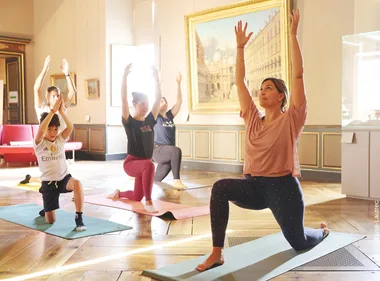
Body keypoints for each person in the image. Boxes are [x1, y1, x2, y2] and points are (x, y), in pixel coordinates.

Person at [196, 9, 329, 272]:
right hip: (254, 187)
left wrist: (292, 34)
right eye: (262, 88)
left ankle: (321, 232)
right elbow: (240, 81)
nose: (262, 91)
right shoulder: (253, 119)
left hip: (284, 189)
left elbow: (299, 75)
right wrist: (240, 49)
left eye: (269, 88)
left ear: (281, 96)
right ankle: (216, 253)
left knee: (299, 242)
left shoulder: (292, 117)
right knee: (220, 188)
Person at [107, 64, 162, 213]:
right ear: (134, 104)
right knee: (150, 165)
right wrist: (124, 77)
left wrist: (157, 79)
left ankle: (118, 193)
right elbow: (123, 99)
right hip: (132, 163)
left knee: (137, 197)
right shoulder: (129, 122)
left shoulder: (150, 120)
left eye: (147, 104)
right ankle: (149, 202)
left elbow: (158, 100)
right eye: (142, 104)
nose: (146, 107)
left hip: (143, 165)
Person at [20, 55, 77, 184]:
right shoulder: (42, 107)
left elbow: (72, 92)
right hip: (44, 142)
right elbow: (36, 88)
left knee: (58, 170)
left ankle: (69, 186)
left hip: (58, 140)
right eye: (53, 96)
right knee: (48, 172)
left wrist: (67, 74)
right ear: (47, 97)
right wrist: (45, 69)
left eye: (58, 96)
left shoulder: (61, 108)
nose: (56, 98)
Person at [33, 94, 86, 231]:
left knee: (77, 184)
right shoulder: (39, 142)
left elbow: (70, 127)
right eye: (49, 129)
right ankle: (46, 210)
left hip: (63, 179)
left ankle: (79, 217)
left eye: (55, 129)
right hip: (49, 183)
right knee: (51, 221)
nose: (52, 132)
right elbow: (40, 131)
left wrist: (61, 111)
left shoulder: (60, 139)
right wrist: (52, 111)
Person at [152, 72, 186, 188]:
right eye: (162, 101)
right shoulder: (156, 116)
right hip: (158, 150)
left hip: (168, 151)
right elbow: (157, 100)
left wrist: (178, 84)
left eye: (165, 101)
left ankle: (141, 177)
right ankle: (176, 180)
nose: (164, 103)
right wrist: (158, 83)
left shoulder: (170, 115)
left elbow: (179, 102)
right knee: (176, 151)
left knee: (155, 180)